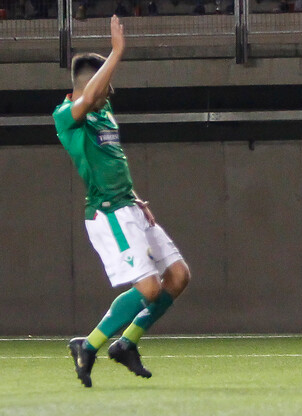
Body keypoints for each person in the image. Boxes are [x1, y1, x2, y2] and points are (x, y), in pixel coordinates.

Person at [52, 15, 191, 388]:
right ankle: (89, 344)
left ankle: (126, 343)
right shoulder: (67, 115)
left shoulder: (104, 112)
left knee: (178, 277)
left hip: (130, 205)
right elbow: (90, 97)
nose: (110, 89)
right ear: (87, 85)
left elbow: (112, 161)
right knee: (148, 289)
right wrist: (116, 52)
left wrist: (136, 197)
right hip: (107, 213)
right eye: (105, 80)